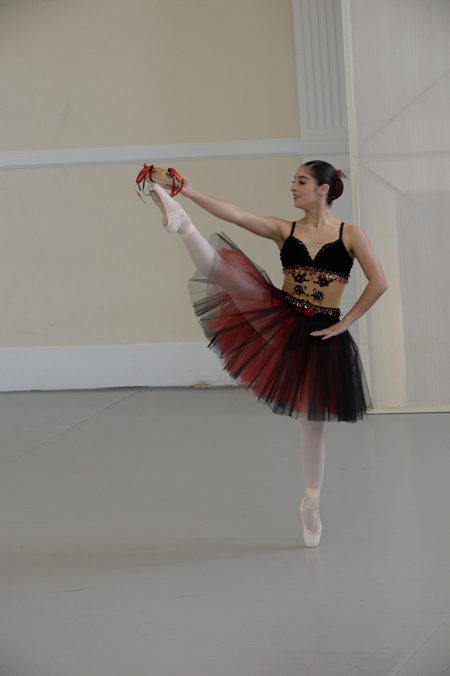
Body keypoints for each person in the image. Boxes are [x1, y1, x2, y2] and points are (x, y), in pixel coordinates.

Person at [140, 160, 388, 546]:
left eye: (301, 181)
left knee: (312, 421)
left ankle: (311, 500)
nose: (293, 187)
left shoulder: (350, 234)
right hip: (282, 316)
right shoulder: (285, 229)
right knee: (228, 274)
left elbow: (379, 282)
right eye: (293, 181)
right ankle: (184, 224)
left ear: (323, 189)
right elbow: (238, 215)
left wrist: (346, 322)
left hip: (322, 332)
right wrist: (189, 191)